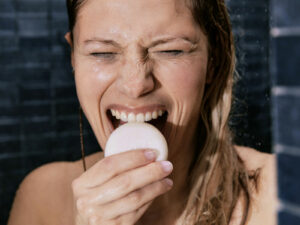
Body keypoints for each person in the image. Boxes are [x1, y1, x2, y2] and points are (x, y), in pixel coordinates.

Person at [7, 0, 277, 224]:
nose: (135, 85)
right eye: (102, 53)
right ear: (73, 57)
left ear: (214, 60)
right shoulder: (42, 199)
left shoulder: (277, 194)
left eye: (171, 50)